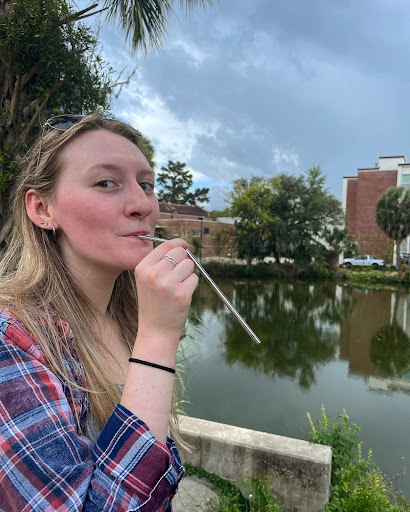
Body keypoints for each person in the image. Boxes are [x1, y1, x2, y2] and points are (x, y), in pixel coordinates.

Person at [0, 113, 199, 511]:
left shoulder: (125, 316)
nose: (142, 204)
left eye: (146, 185)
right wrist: (158, 339)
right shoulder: (10, 340)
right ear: (42, 209)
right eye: (106, 183)